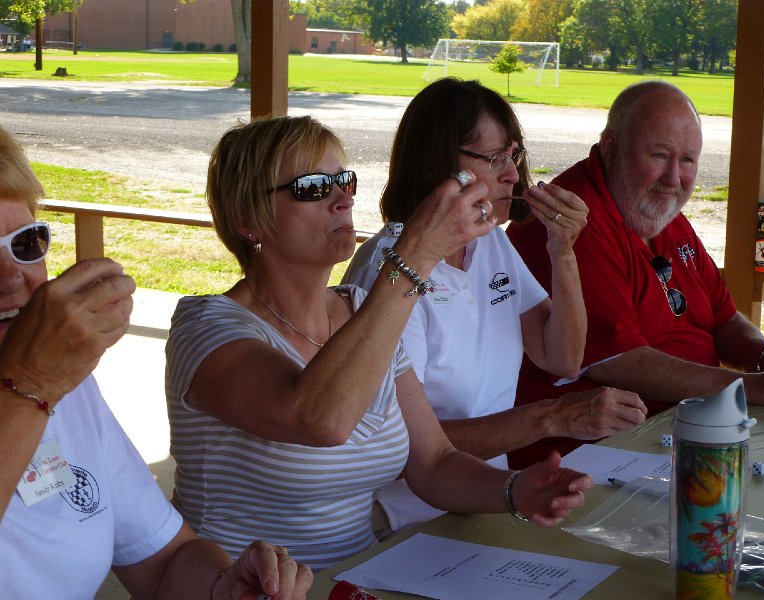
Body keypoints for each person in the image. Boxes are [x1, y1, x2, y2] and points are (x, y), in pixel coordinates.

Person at [165, 114, 594, 572]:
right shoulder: (206, 326)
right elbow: (320, 420)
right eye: (313, 187)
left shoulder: (358, 306)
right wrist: (416, 254)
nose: (342, 199)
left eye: (343, 181)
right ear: (247, 220)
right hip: (243, 586)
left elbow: (432, 462)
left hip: (355, 576)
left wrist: (515, 490)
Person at [0, 124, 312, 600]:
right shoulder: (39, 380)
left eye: (25, 243)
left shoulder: (65, 385)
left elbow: (162, 558)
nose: (12, 279)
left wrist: (225, 587)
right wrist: (30, 383)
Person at [341, 77, 646, 534]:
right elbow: (414, 447)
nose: (513, 176)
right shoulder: (390, 270)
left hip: (482, 504)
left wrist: (563, 251)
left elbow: (562, 356)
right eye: (497, 158)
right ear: (440, 167)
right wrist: (554, 417)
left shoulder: (490, 245)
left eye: (515, 157)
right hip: (405, 521)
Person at [506, 80, 764, 469]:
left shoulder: (654, 209)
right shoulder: (571, 219)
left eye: (688, 161)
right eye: (660, 155)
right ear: (611, 148)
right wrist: (751, 387)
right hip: (590, 456)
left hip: (676, 430)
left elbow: (722, 317)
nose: (674, 178)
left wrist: (763, 355)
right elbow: (617, 360)